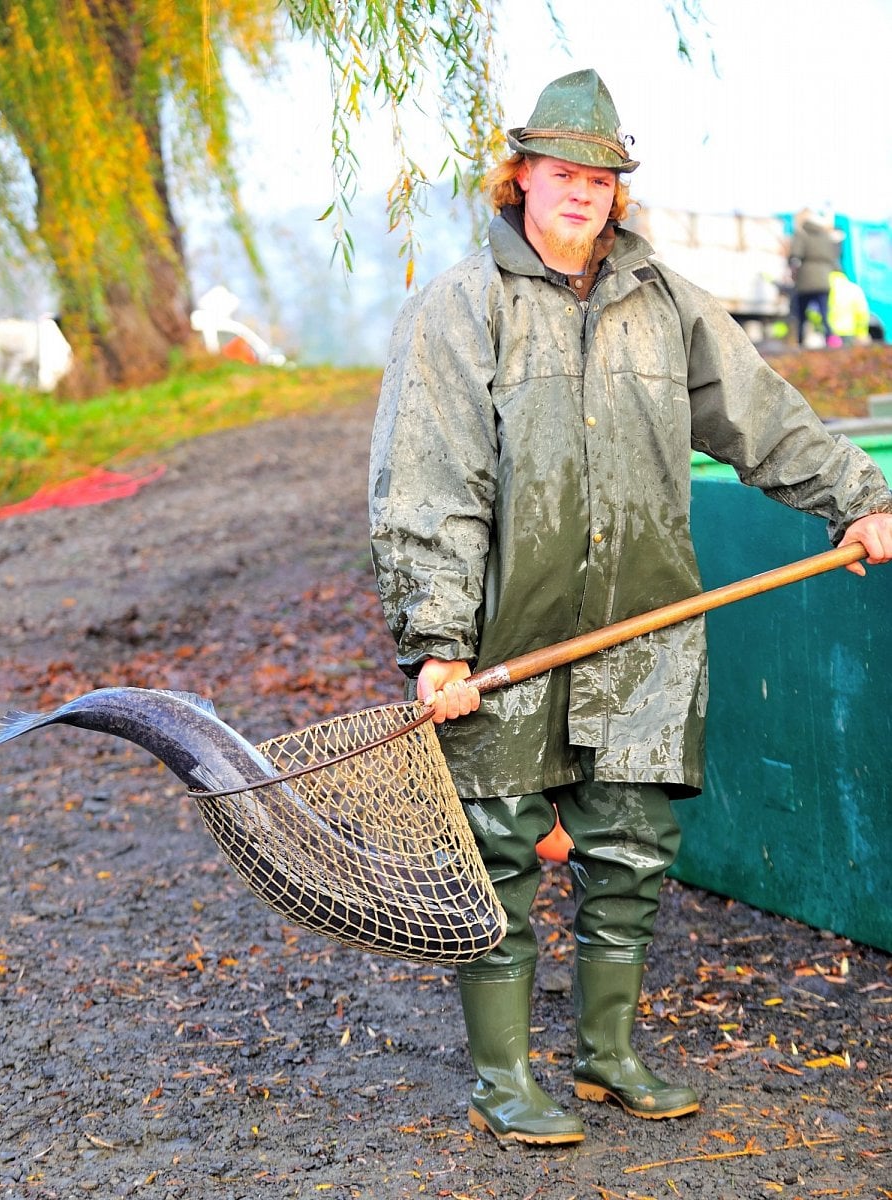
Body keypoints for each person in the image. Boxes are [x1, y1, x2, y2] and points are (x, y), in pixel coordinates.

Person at [369, 69, 892, 1146]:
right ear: (518, 180)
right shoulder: (457, 310)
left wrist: (860, 497)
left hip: (643, 631)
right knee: (499, 855)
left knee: (632, 849)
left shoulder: (665, 307)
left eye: (600, 176)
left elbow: (762, 418)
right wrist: (434, 642)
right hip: (502, 637)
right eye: (561, 172)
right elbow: (427, 489)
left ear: (618, 190)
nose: (581, 191)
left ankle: (606, 1055)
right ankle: (501, 1079)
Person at [788, 209, 844, 346]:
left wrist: (792, 268)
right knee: (824, 313)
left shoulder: (801, 234)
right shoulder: (825, 236)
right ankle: (830, 340)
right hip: (824, 279)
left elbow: (795, 255)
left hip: (805, 280)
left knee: (802, 314)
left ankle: (800, 341)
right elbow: (834, 257)